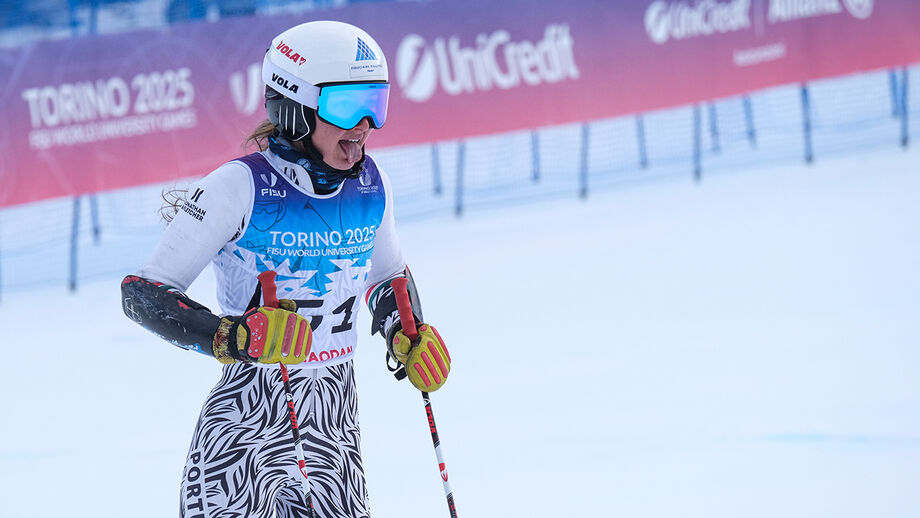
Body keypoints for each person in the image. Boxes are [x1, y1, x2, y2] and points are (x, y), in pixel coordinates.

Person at [120, 20, 451, 518]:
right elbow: (142, 293)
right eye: (345, 106)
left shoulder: (368, 188)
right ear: (294, 108)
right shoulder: (238, 188)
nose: (365, 125)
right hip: (244, 437)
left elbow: (387, 278)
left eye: (375, 104)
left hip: (334, 432)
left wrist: (407, 332)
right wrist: (234, 336)